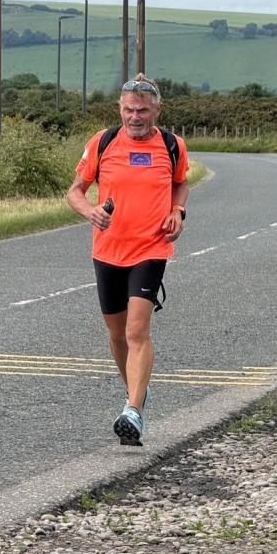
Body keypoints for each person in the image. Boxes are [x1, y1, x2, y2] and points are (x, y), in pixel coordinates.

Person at [66, 74, 189, 446]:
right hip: (107, 250)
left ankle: (133, 409)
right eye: (129, 110)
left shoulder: (172, 145)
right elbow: (74, 192)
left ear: (158, 110)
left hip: (151, 249)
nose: (136, 117)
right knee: (117, 335)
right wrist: (89, 211)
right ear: (120, 109)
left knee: (137, 331)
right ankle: (135, 397)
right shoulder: (103, 142)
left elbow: (180, 182)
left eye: (143, 111)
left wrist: (178, 211)